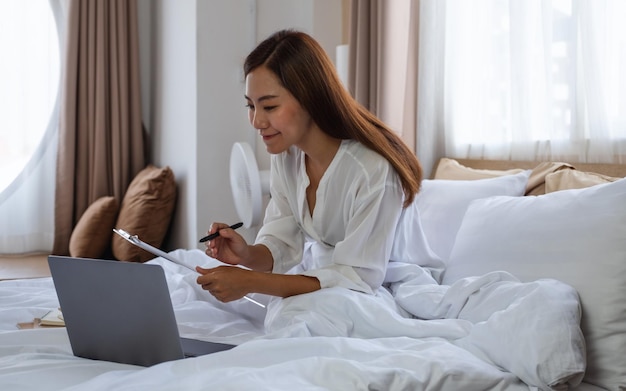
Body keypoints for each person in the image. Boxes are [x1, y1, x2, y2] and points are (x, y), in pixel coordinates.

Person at [196, 29, 422, 304]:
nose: (256, 121)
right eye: (250, 106)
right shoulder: (288, 156)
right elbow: (281, 243)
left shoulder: (373, 171)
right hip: (329, 280)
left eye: (269, 107)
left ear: (310, 98)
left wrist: (251, 282)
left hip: (383, 286)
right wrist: (244, 255)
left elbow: (358, 278)